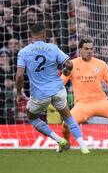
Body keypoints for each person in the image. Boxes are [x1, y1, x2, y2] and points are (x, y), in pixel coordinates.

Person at [15, 23, 89, 154]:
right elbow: (69, 63)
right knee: (68, 117)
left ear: (30, 35)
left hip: (39, 94)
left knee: (32, 118)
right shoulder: (53, 48)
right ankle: (83, 147)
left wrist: (19, 93)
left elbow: (20, 75)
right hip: (58, 90)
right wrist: (66, 71)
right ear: (44, 35)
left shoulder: (24, 52)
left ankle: (59, 140)